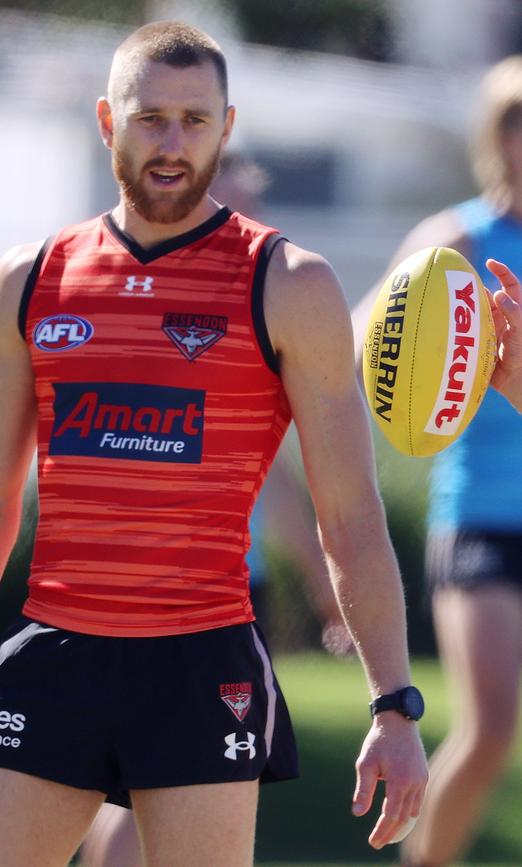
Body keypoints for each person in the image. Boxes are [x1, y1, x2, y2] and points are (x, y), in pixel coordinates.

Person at [0, 21, 428, 866]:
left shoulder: (288, 285)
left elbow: (351, 514)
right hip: (54, 655)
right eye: (150, 120)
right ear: (108, 122)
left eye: (196, 120)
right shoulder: (31, 279)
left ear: (228, 125)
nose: (173, 145)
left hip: (200, 663)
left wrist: (393, 706)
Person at [352, 56, 522, 867]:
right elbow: (357, 335)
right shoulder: (455, 241)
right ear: (497, 138)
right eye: (517, 122)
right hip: (479, 517)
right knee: (490, 728)